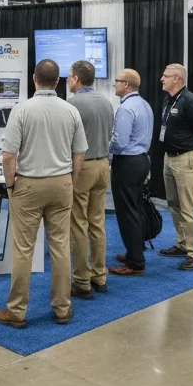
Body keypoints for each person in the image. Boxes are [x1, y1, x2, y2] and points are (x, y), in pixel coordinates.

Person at [0, 59, 87, 328]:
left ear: (34, 78)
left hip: (28, 185)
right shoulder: (70, 110)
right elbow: (79, 152)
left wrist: (10, 185)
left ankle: (17, 311)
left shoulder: (21, 110)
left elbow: (9, 156)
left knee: (23, 250)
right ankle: (62, 308)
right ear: (57, 81)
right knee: (60, 246)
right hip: (61, 183)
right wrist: (71, 180)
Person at [66, 60, 114, 300]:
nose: (68, 80)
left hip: (82, 167)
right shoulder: (107, 102)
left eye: (69, 76)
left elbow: (67, 141)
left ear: (76, 78)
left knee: (78, 224)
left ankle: (82, 280)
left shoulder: (72, 105)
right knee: (97, 222)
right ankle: (100, 275)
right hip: (103, 165)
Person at [157, 63, 193, 269]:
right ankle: (182, 244)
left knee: (188, 207)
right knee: (174, 203)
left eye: (166, 76)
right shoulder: (169, 99)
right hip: (170, 156)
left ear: (177, 79)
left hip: (187, 157)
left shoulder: (191, 102)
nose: (162, 79)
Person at [108, 68, 154, 278]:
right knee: (135, 208)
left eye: (117, 81)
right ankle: (135, 252)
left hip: (127, 162)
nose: (115, 84)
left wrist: (106, 149)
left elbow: (120, 142)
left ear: (126, 85)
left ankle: (135, 263)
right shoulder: (144, 104)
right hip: (141, 160)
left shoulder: (126, 108)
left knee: (127, 212)